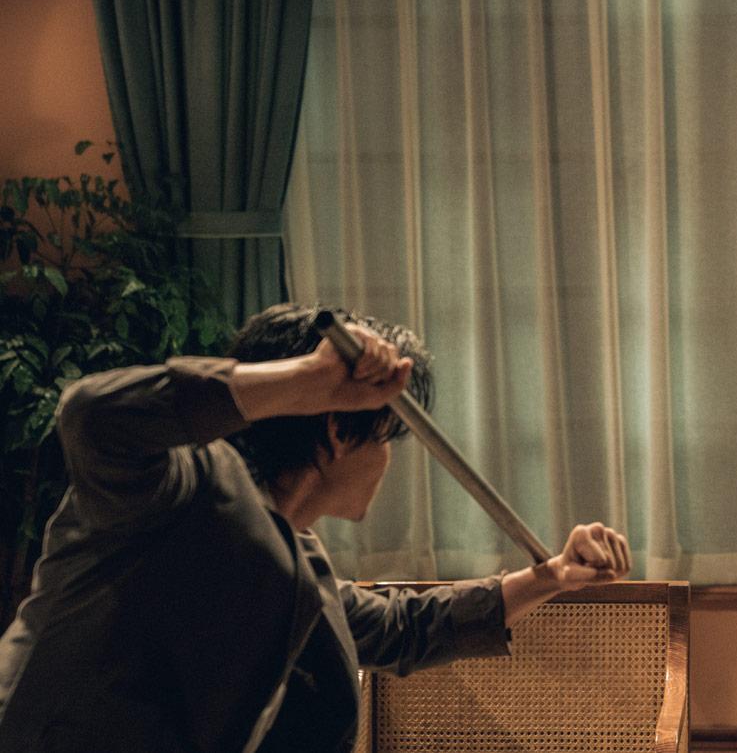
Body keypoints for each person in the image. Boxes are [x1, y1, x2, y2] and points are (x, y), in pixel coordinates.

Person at [0, 302, 632, 752]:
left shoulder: (299, 560)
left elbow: (402, 627)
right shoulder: (181, 483)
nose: (386, 463)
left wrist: (550, 577)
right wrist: (309, 381)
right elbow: (91, 415)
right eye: (384, 439)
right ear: (336, 429)